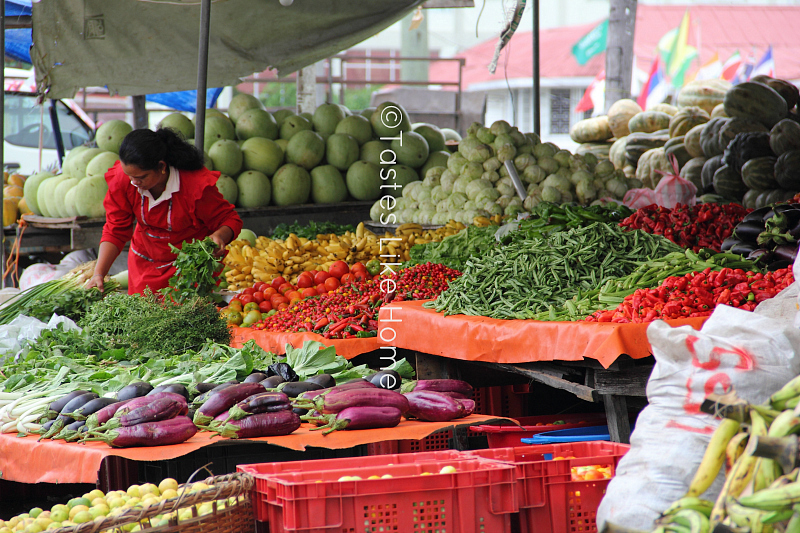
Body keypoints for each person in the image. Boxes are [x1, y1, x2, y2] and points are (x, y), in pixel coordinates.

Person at [86, 128, 243, 295]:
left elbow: (230, 219)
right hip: (144, 267)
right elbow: (115, 230)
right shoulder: (124, 179)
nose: (133, 182)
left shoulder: (194, 186)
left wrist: (219, 236)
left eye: (141, 177)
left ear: (161, 166)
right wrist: (99, 273)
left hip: (189, 272)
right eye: (129, 176)